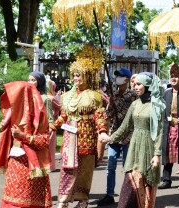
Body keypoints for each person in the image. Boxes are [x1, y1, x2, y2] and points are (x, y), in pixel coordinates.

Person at [49, 44, 109, 208]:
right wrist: (53, 127)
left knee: (84, 171)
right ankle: (64, 200)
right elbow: (63, 116)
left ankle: (83, 199)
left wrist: (102, 131)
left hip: (87, 137)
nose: (76, 78)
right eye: (75, 75)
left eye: (80, 75)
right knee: (67, 170)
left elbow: (99, 116)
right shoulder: (67, 96)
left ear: (88, 76)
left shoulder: (95, 96)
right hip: (69, 139)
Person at [101, 72, 165, 208]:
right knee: (130, 182)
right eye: (134, 84)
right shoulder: (135, 104)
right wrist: (110, 138)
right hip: (135, 147)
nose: (135, 87)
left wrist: (157, 155)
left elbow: (159, 132)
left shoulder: (157, 105)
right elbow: (124, 127)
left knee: (147, 183)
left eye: (139, 84)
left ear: (147, 85)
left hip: (149, 147)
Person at [0, 81, 52, 207]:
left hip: (30, 165)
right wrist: (5, 128)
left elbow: (44, 141)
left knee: (25, 201)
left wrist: (23, 136)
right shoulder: (13, 114)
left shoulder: (38, 115)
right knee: (11, 200)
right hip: (14, 162)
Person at [97, 68, 137, 206]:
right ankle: (109, 194)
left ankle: (129, 193)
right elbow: (107, 115)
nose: (117, 78)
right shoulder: (113, 95)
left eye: (120, 76)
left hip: (128, 136)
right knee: (111, 164)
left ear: (127, 79)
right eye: (117, 76)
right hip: (114, 135)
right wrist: (110, 106)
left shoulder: (133, 96)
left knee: (127, 167)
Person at [28, 71, 61, 172]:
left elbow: (49, 117)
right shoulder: (27, 96)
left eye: (33, 80)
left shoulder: (45, 99)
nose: (30, 82)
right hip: (28, 129)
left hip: (40, 130)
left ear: (40, 82)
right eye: (28, 80)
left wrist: (50, 128)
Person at [46, 79, 62, 171]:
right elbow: (61, 107)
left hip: (41, 124)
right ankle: (50, 166)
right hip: (51, 124)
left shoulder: (40, 96)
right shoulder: (51, 98)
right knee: (51, 146)